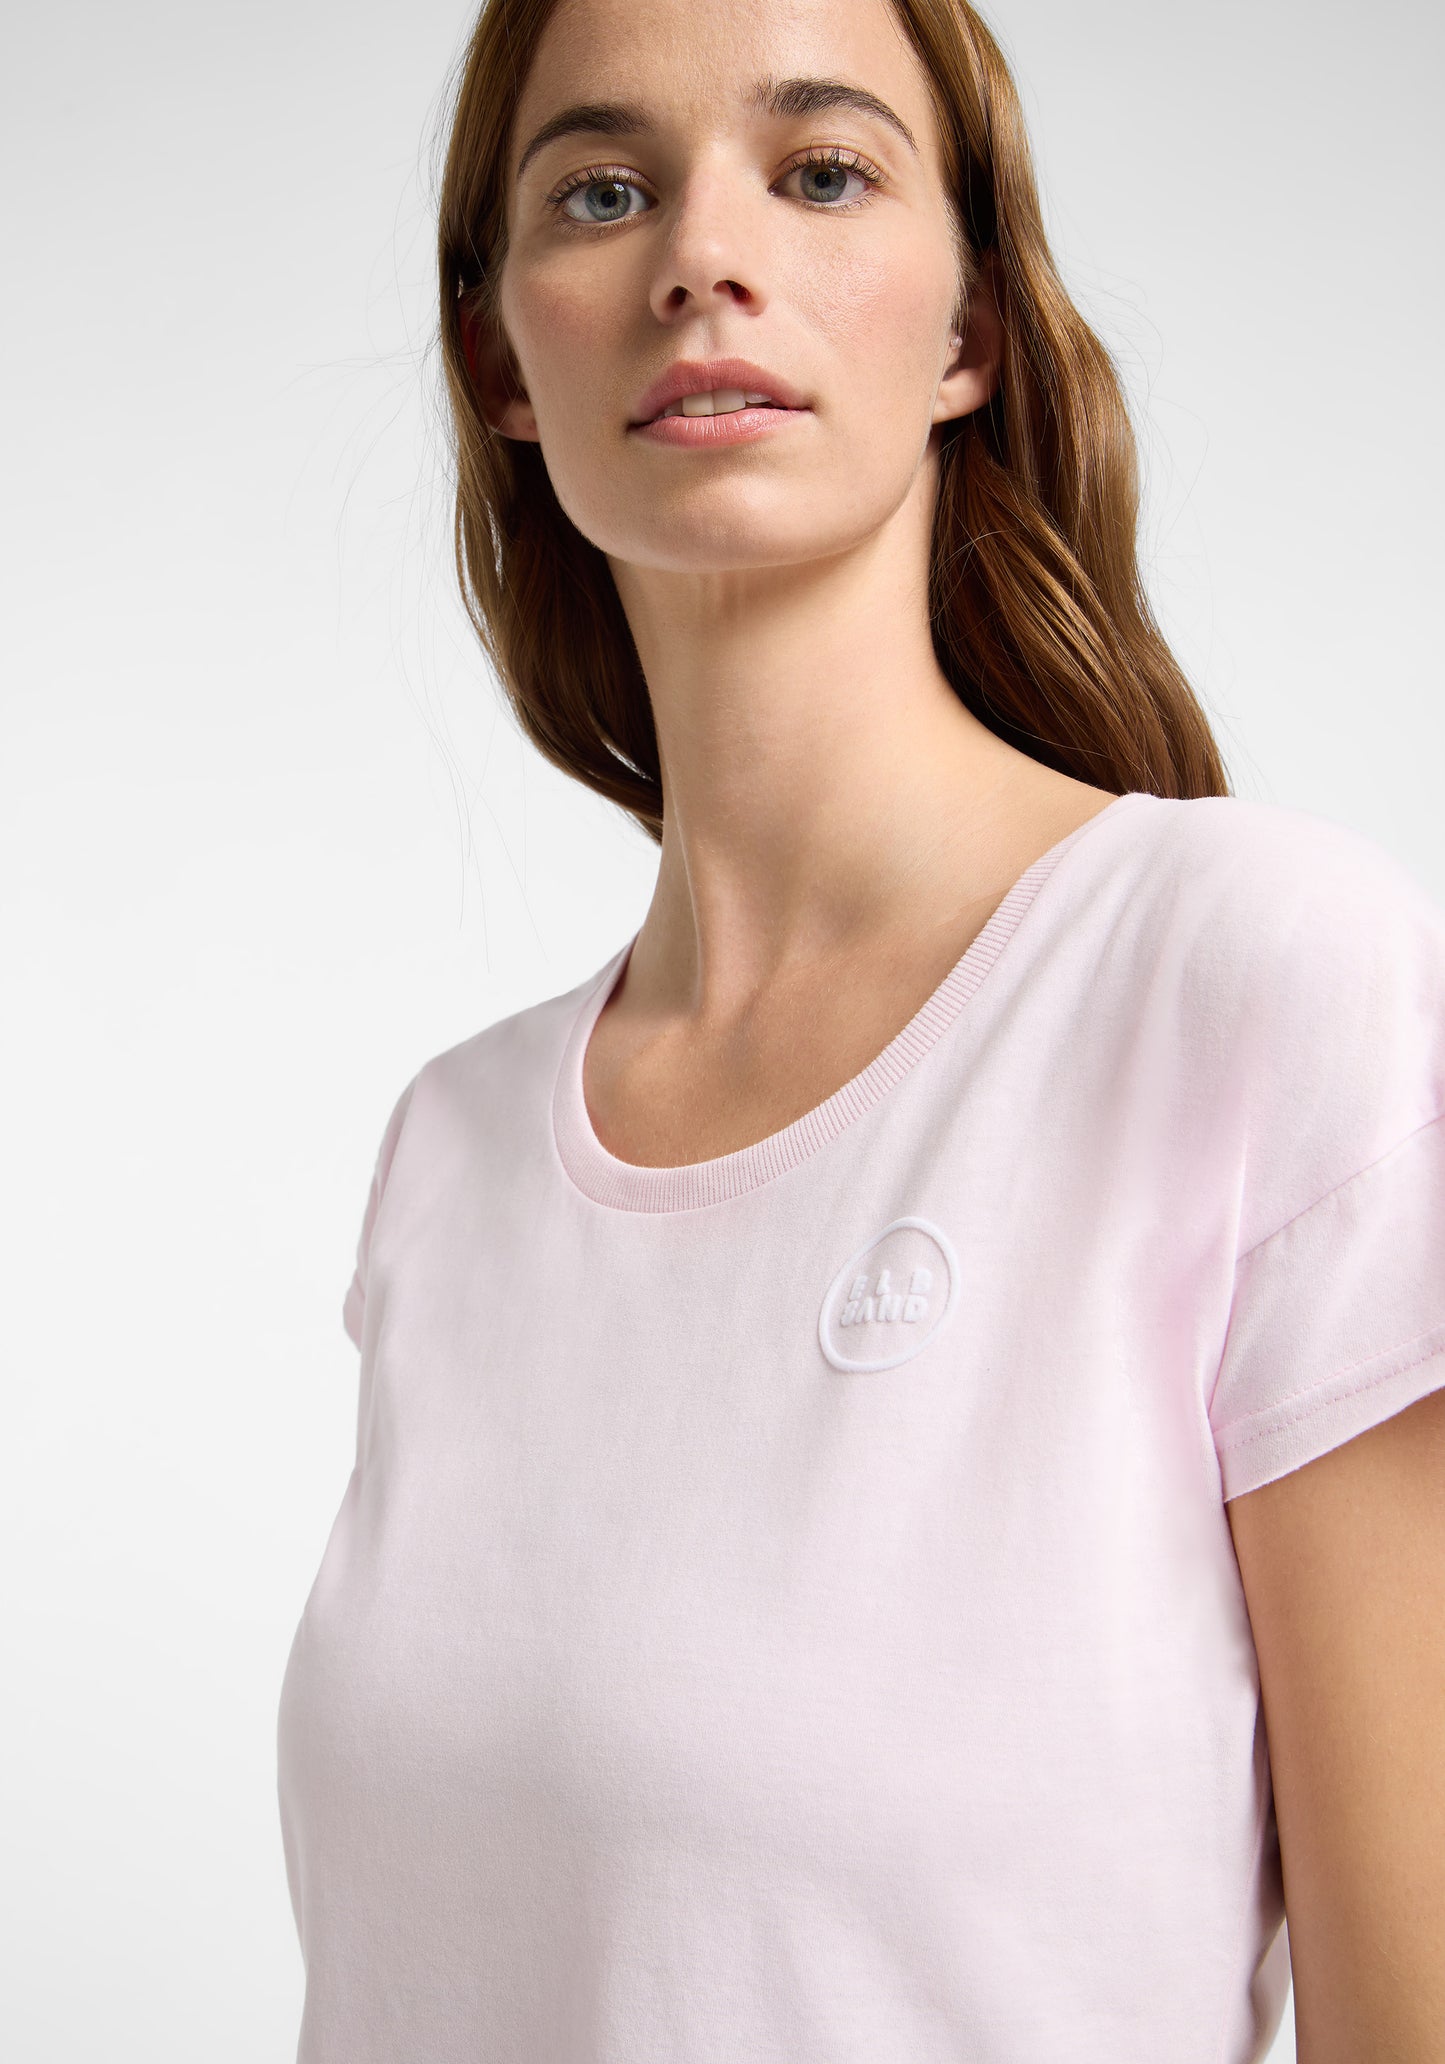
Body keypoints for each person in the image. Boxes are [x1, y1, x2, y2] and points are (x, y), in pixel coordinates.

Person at [276, 0, 1445, 2056]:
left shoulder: (1260, 986)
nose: (701, 257)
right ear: (503, 362)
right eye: (602, 191)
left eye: (820, 172)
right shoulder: (453, 1150)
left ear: (971, 327)